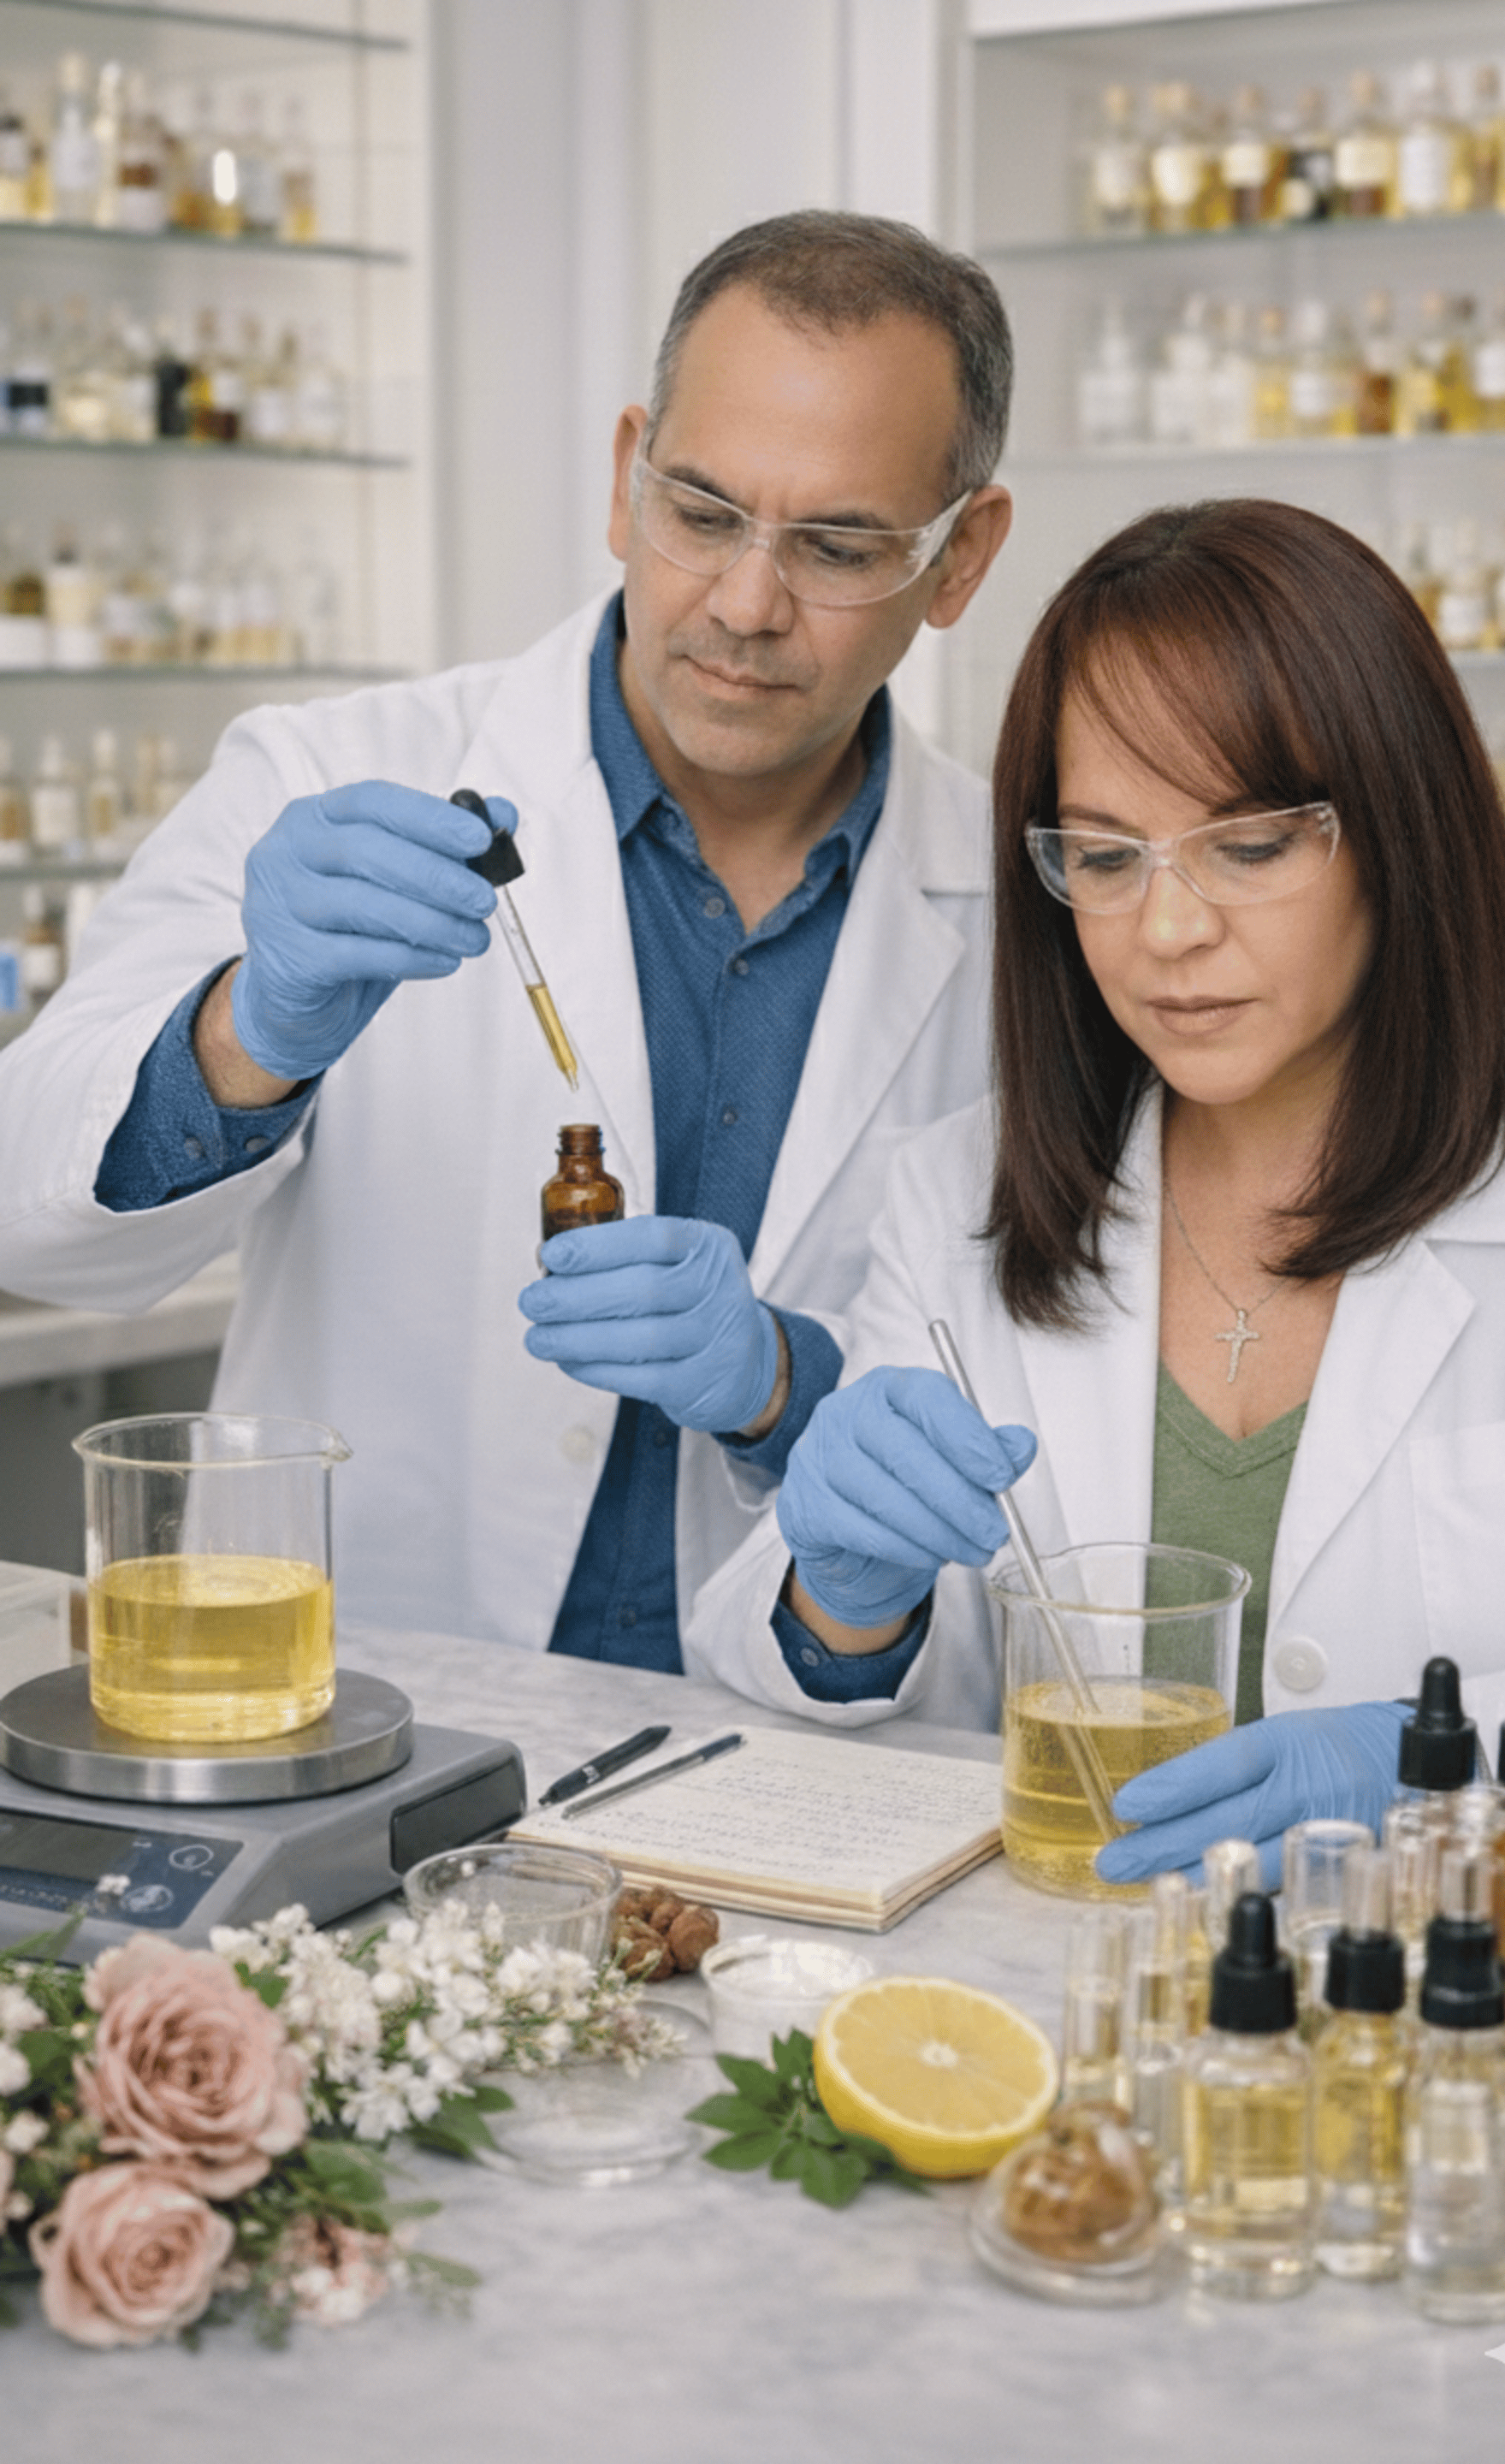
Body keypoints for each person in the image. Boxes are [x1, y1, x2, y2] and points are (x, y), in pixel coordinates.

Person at [0, 211, 1013, 1668]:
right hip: (377, 1715)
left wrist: (789, 1383)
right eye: (704, 512)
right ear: (625, 478)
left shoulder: (1033, 917)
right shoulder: (327, 774)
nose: (744, 603)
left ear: (961, 557)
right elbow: (44, 1235)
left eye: (840, 546)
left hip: (805, 1757)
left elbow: (1035, 1417)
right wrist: (249, 1035)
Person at [685, 497, 1505, 1880]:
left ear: (1401, 824)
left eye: (1250, 846)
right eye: (1107, 857)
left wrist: (1436, 1755)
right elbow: (812, 1685)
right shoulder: (964, 1189)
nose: (1171, 930)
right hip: (1073, 2006)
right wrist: (848, 1595)